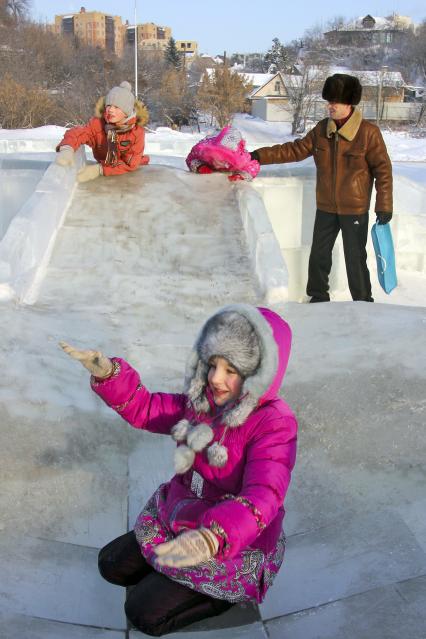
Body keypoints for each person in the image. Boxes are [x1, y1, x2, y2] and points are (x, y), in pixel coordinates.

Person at [60, 303, 297, 636]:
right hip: (183, 514)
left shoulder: (274, 424)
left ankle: (223, 595)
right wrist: (108, 374)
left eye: (231, 370)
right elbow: (147, 409)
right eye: (213, 364)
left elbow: (264, 496)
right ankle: (170, 576)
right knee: (111, 565)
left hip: (232, 538)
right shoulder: (204, 402)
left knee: (142, 613)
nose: (215, 378)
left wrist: (213, 538)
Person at [251, 73, 393, 303]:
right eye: (329, 101)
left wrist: (384, 205)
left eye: (334, 102)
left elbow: (383, 171)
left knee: (355, 258)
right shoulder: (321, 130)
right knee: (318, 255)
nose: (330, 106)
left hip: (354, 208)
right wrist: (258, 156)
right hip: (326, 206)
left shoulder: (368, 133)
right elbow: (294, 150)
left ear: (348, 103)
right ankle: (318, 297)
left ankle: (363, 301)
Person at [55, 81, 150, 183]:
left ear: (127, 112)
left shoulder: (136, 132)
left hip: (129, 176)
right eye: (109, 106)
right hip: (105, 177)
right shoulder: (98, 124)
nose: (110, 110)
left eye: (116, 107)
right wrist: (67, 148)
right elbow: (79, 133)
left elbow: (130, 164)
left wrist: (99, 170)